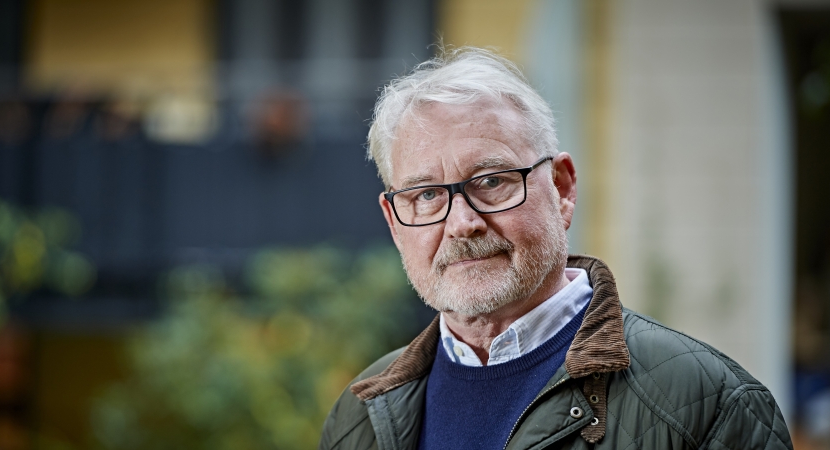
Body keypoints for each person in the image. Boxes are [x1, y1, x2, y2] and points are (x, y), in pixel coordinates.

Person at [319, 47, 793, 450]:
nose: (461, 223)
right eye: (426, 195)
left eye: (492, 181)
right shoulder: (359, 419)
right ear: (395, 222)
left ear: (562, 188)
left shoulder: (709, 407)